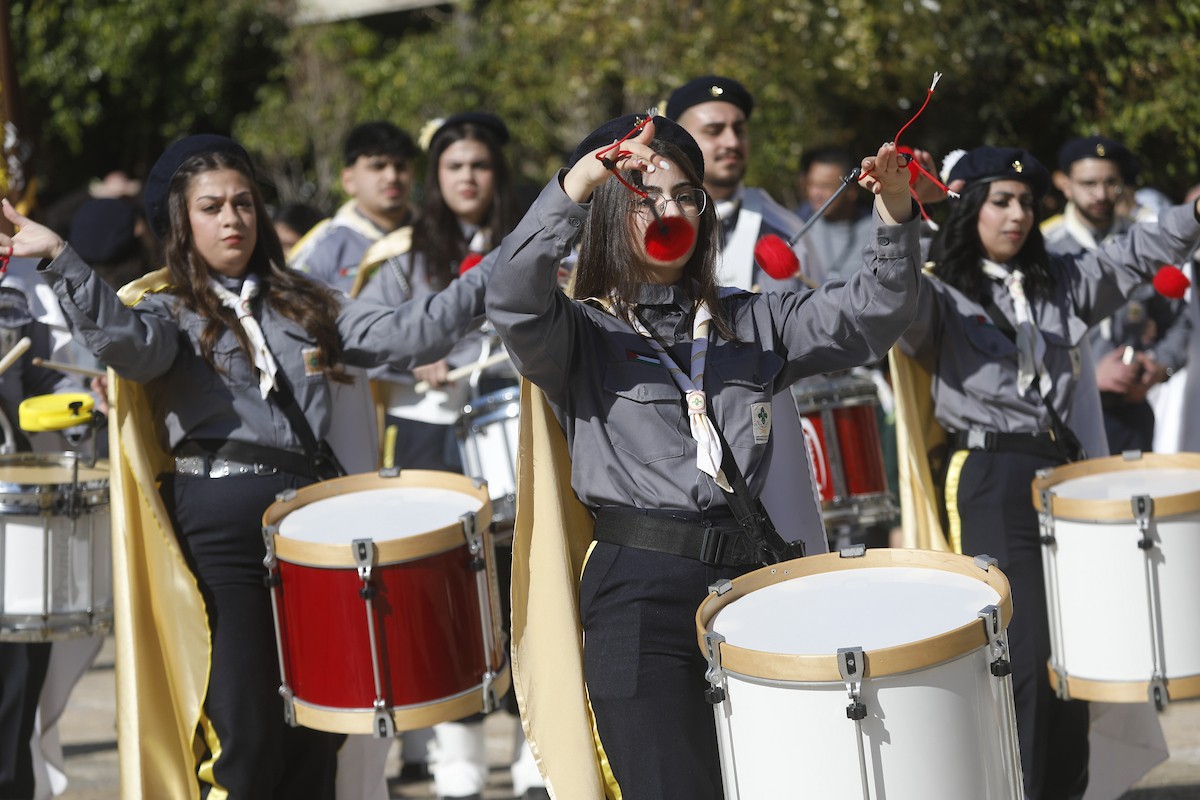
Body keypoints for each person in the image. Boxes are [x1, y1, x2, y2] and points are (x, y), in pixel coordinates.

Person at [0, 133, 493, 799]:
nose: (232, 218)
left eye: (243, 203)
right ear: (182, 221)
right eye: (211, 207)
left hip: (311, 534)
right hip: (220, 533)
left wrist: (509, 263)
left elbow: (412, 332)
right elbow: (127, 347)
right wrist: (59, 256)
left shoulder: (309, 303)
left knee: (318, 728)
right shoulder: (164, 309)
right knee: (244, 731)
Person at [486, 113, 919, 799]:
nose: (670, 211)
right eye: (646, 197)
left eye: (686, 195)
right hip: (639, 592)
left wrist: (894, 213)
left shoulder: (755, 320)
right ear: (607, 216)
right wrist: (579, 182)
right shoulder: (582, 335)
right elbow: (508, 293)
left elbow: (870, 316)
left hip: (752, 586)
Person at [893, 145, 1200, 799]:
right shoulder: (938, 292)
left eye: (1028, 203)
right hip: (989, 473)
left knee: (1075, 664)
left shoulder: (1061, 281)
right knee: (1022, 660)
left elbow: (1139, 253)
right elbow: (885, 297)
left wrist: (1193, 211)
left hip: (1062, 483)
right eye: (1001, 201)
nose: (1018, 215)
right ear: (970, 206)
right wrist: (897, 209)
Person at [353, 111, 535, 800]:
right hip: (431, 439)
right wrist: (411, 357)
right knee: (451, 599)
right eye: (455, 166)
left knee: (523, 598)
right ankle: (458, 764)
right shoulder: (401, 255)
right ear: (437, 177)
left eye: (480, 166)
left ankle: (531, 758)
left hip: (517, 436)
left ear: (497, 174)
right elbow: (362, 336)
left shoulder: (532, 243)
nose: (468, 178)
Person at [1042, 135, 1190, 453]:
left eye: (1111, 182)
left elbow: (1181, 320)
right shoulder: (1043, 249)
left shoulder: (1143, 244)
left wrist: (1159, 367)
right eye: (1088, 183)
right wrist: (1085, 378)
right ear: (1064, 183)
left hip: (1129, 415)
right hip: (1065, 415)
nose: (1101, 194)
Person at [0, 293, 83, 800]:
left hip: (10, 507)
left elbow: (45, 375)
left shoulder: (10, 297)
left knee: (14, 681)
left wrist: (81, 404)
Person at [665, 75, 823, 291]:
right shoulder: (649, 223)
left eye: (739, 130)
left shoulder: (784, 229)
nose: (732, 142)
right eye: (714, 131)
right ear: (679, 141)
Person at [289, 121, 418, 295]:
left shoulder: (438, 233)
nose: (391, 176)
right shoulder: (325, 245)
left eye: (400, 166)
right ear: (349, 180)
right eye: (378, 166)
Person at [794, 147, 875, 283]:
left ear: (852, 190)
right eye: (812, 184)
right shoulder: (796, 228)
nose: (815, 193)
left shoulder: (877, 232)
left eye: (825, 186)